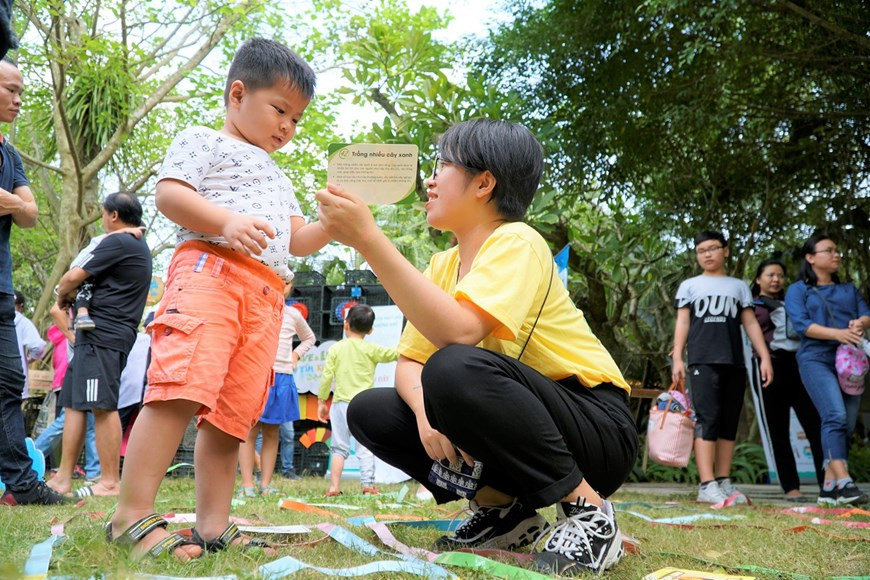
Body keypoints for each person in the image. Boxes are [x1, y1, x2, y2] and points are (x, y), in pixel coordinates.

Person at [316, 119, 638, 575]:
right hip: (520, 432)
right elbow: (409, 362)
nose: (429, 180)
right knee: (371, 410)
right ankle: (504, 513)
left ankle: (589, 512)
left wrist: (368, 240)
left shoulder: (518, 241)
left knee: (452, 368)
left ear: (484, 183)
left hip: (594, 427)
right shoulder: (444, 263)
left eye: (441, 165)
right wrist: (429, 414)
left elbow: (461, 332)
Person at [109, 38, 329, 560]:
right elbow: (169, 194)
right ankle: (130, 515)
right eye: (280, 109)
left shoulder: (279, 175)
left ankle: (213, 524)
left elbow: (296, 239)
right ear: (237, 93)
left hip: (266, 299)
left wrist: (334, 225)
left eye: (296, 119)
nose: (287, 127)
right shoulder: (204, 140)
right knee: (179, 391)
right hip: (211, 274)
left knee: (232, 415)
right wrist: (226, 221)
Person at [47, 192, 152, 499]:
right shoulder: (133, 243)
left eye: (104, 214)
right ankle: (63, 477)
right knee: (74, 403)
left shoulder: (119, 242)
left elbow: (71, 278)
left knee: (102, 406)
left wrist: (63, 294)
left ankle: (109, 481)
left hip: (105, 332)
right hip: (93, 335)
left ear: (114, 216)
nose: (104, 219)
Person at [0, 57, 66, 506]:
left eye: (22, 91)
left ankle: (21, 485)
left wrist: (13, 203)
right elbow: (19, 207)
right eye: (11, 90)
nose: (19, 100)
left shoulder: (10, 154)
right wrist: (15, 203)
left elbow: (30, 214)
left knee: (7, 383)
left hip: (3, 289)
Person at [672, 231, 773, 506]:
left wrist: (764, 356)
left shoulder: (738, 286)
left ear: (725, 251)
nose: (707, 254)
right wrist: (678, 357)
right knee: (707, 419)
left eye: (712, 248)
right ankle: (707, 485)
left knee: (729, 422)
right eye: (701, 250)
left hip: (734, 362)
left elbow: (750, 323)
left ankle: (724, 481)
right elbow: (683, 322)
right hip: (702, 361)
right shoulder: (689, 286)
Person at [785, 234, 870, 506]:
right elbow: (802, 325)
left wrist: (860, 324)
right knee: (834, 415)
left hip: (851, 361)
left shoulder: (849, 289)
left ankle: (829, 488)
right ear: (810, 257)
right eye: (829, 250)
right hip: (815, 359)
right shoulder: (798, 290)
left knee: (844, 423)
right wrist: (839, 333)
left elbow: (866, 314)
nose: (836, 255)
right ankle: (845, 484)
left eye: (837, 251)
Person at [751, 259, 823, 502]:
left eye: (780, 275)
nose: (775, 279)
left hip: (800, 364)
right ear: (758, 279)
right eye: (770, 275)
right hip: (768, 364)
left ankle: (828, 483)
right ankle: (791, 486)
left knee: (814, 424)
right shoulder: (751, 304)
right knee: (778, 429)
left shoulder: (793, 301)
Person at [238, 275, 315, 495]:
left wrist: (295, 355)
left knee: (272, 433)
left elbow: (309, 338)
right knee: (250, 432)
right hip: (255, 375)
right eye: (276, 279)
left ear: (290, 287)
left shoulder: (293, 314)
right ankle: (246, 484)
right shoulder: (253, 306)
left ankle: (266, 484)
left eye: (286, 281)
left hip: (281, 377)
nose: (280, 285)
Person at [317, 304, 397, 496]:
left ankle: (334, 487)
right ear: (370, 330)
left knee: (338, 446)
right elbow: (395, 354)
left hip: (340, 404)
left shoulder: (336, 348)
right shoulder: (371, 349)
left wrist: (321, 401)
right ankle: (367, 485)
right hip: (364, 405)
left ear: (346, 324)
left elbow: (327, 376)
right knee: (366, 446)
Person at [36, 304, 100, 481]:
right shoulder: (69, 328)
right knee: (66, 422)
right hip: (71, 378)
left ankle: (94, 470)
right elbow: (55, 310)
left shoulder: (63, 333)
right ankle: (32, 454)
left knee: (88, 424)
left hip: (69, 378)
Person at [13, 290, 45, 397]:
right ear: (21, 306)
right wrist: (31, 358)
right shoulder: (23, 322)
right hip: (14, 379)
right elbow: (37, 346)